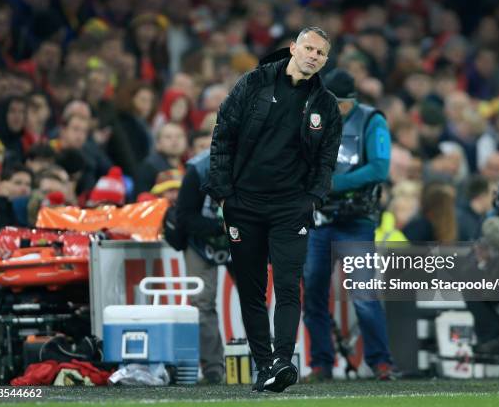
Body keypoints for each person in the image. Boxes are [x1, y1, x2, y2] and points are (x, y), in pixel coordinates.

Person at [204, 27, 342, 393]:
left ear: (325, 60)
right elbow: (223, 136)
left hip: (290, 207)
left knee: (287, 286)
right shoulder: (254, 83)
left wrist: (312, 198)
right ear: (293, 47)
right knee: (251, 290)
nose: (313, 55)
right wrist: (222, 194)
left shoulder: (326, 105)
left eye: (321, 53)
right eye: (308, 47)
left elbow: (327, 160)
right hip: (243, 203)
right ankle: (264, 365)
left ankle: (282, 360)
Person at [302, 68, 394, 381]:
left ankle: (380, 362)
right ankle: (321, 364)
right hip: (320, 220)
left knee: (365, 297)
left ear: (349, 102)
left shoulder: (372, 121)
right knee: (312, 293)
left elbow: (379, 169)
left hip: (355, 221)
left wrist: (332, 183)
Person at [163, 149, 229, 384]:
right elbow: (185, 216)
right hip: (200, 239)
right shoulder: (198, 170)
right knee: (202, 302)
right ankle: (213, 370)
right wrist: (220, 227)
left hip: (240, 234)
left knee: (253, 297)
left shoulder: (253, 161)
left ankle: (262, 362)